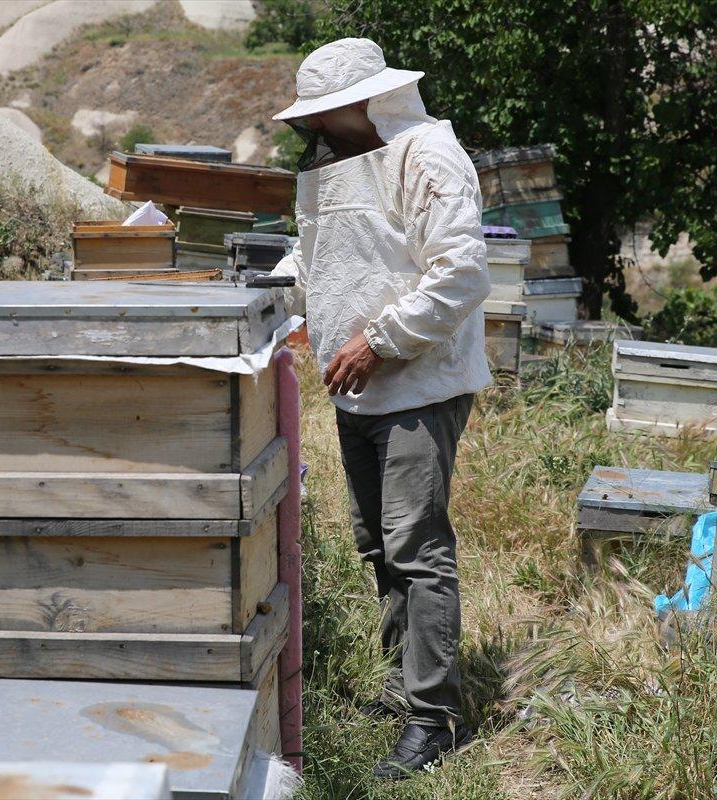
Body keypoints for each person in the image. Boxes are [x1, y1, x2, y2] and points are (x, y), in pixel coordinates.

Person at [269, 37, 491, 779]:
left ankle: (434, 721)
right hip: (355, 386)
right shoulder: (336, 166)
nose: (317, 131)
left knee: (417, 551)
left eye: (327, 116)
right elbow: (317, 255)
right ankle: (402, 690)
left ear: (366, 102)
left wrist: (382, 340)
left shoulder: (429, 154)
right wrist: (264, 291)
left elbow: (459, 271)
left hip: (417, 385)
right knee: (379, 547)